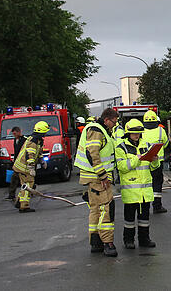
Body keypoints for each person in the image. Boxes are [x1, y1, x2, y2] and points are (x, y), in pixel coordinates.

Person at [73, 108, 118, 256]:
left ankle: (96, 242)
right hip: (98, 178)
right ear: (106, 120)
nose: (114, 124)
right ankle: (107, 243)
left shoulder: (97, 129)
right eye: (114, 121)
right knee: (107, 208)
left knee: (95, 209)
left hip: (93, 177)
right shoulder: (97, 130)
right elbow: (93, 154)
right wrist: (103, 175)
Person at [115, 119, 158, 249]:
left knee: (144, 218)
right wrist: (137, 159)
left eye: (138, 133)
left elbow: (154, 167)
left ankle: (144, 239)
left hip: (144, 191)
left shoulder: (146, 144)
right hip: (131, 190)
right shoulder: (121, 147)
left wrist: (154, 160)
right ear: (128, 133)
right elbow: (122, 166)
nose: (136, 135)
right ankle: (128, 240)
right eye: (134, 133)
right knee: (129, 219)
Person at [12, 121, 47, 213]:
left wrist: (42, 160)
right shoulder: (33, 141)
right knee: (28, 185)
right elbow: (30, 155)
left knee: (24, 185)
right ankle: (24, 205)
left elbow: (38, 152)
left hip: (22, 166)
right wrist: (31, 168)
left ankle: (19, 201)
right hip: (25, 167)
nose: (46, 134)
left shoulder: (38, 140)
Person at [142, 110, 169, 213]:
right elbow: (166, 144)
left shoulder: (141, 131)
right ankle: (157, 206)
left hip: (144, 162)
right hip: (158, 162)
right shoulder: (161, 131)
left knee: (146, 183)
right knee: (157, 183)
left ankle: (145, 206)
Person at [6, 126, 24, 201]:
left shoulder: (24, 140)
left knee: (23, 178)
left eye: (15, 133)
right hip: (17, 162)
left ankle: (30, 189)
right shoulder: (15, 140)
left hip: (23, 162)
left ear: (19, 132)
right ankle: (11, 194)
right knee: (14, 178)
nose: (14, 135)